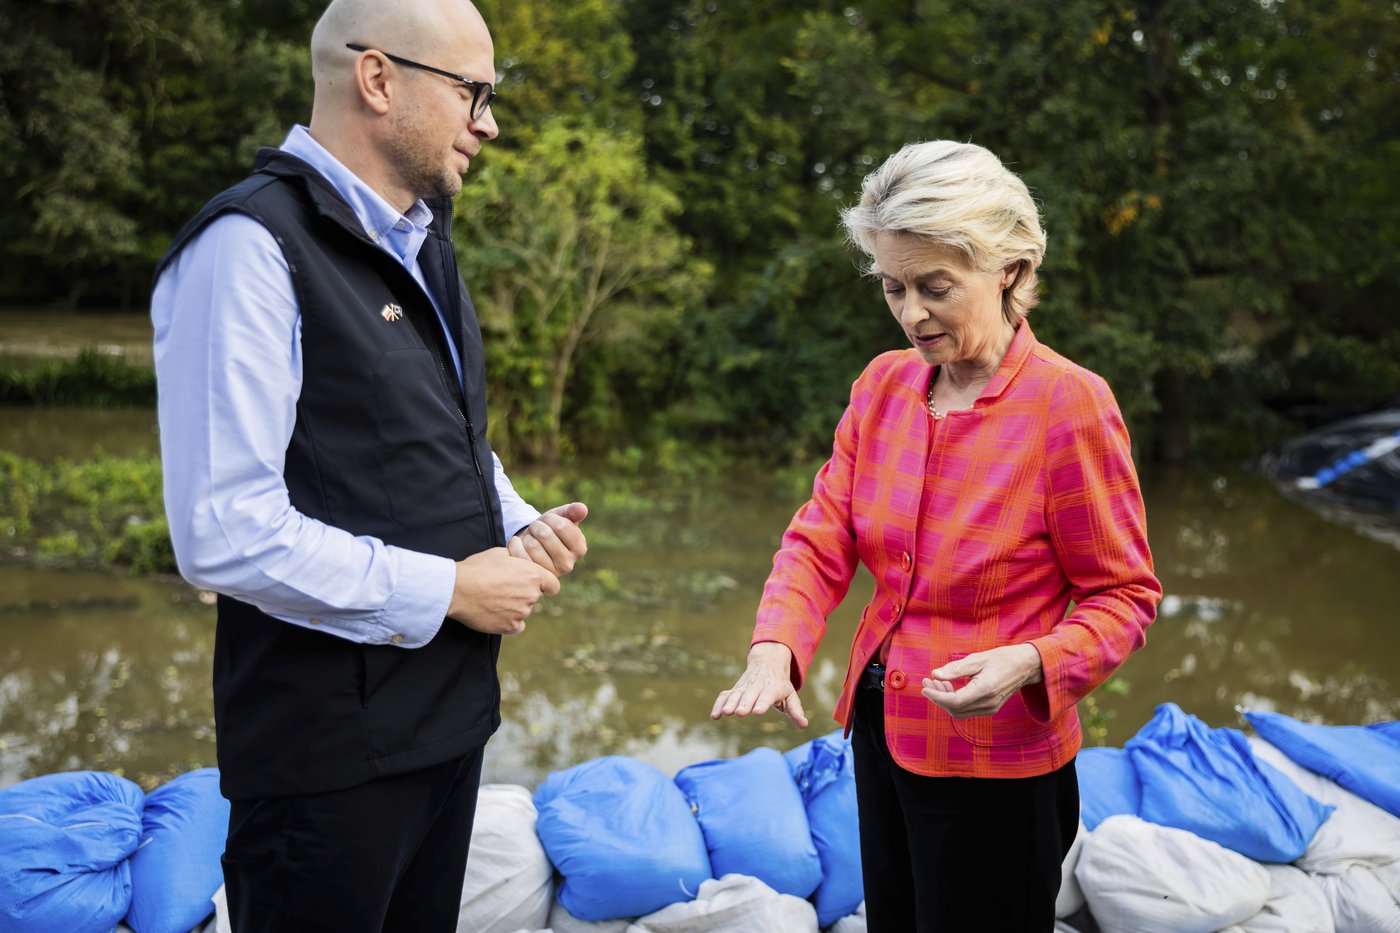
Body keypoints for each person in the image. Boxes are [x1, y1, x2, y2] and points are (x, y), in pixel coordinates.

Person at [150, 1, 587, 930]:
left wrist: (512, 515)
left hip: (448, 727)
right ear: (379, 78)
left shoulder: (424, 238)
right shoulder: (250, 247)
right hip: (328, 762)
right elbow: (221, 530)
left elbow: (438, 427)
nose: (489, 123)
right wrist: (453, 589)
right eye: (474, 92)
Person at [711, 140, 1162, 932]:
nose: (911, 312)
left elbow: (1123, 596)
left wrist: (1032, 660)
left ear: (1012, 270)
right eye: (892, 287)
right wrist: (774, 646)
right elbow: (821, 536)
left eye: (934, 287)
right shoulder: (883, 385)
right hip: (884, 736)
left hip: (999, 762)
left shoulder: (1071, 406)